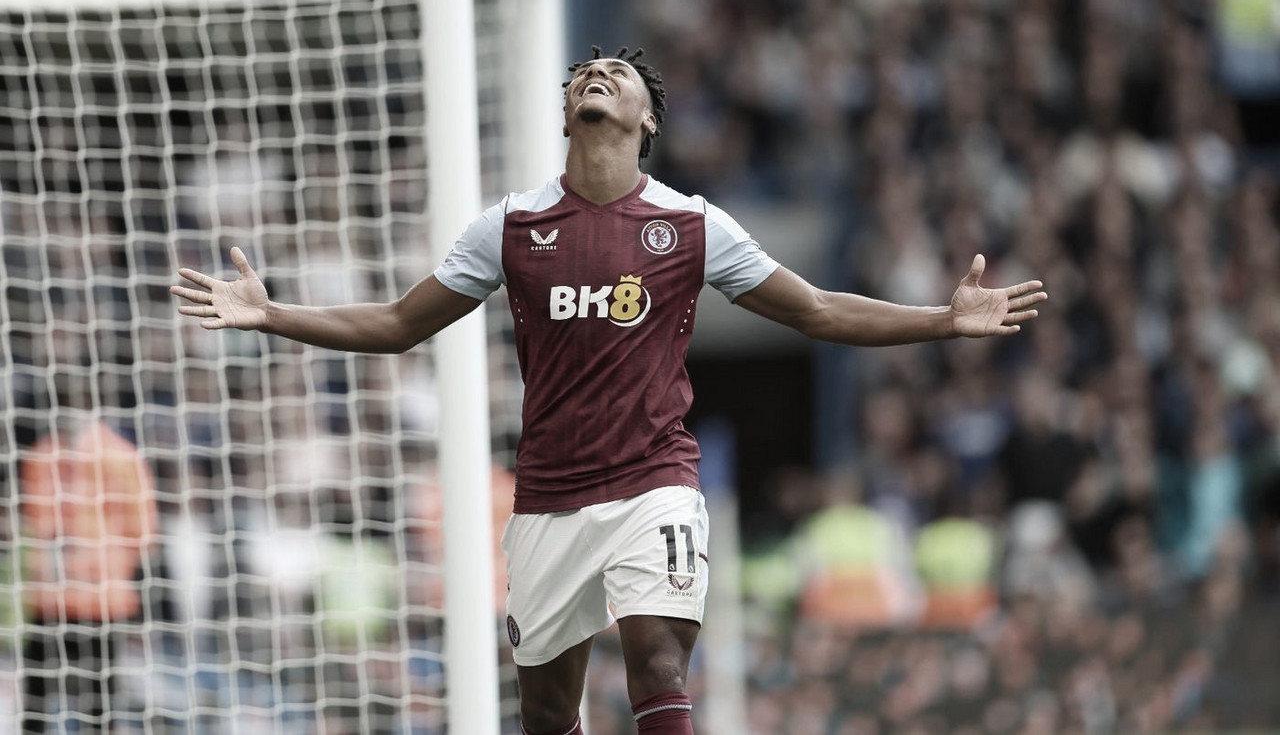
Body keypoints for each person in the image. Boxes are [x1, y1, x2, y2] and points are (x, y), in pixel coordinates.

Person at [172, 45, 1048, 734]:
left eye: (616, 73)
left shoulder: (692, 225)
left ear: (646, 117)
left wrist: (943, 316)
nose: (595, 76)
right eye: (584, 73)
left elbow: (815, 309)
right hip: (548, 499)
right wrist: (273, 314)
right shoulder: (509, 226)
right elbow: (401, 323)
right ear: (567, 111)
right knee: (549, 714)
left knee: (657, 662)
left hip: (652, 484)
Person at [18, 418, 158, 732]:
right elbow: (35, 520)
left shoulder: (117, 456)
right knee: (49, 702)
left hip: (93, 601)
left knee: (93, 704)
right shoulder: (43, 456)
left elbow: (141, 531)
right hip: (58, 600)